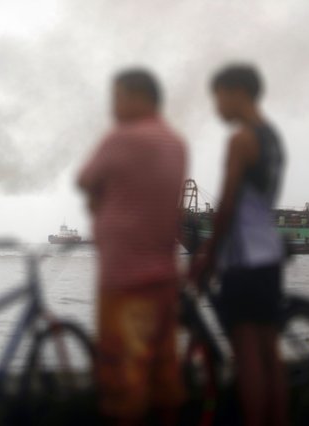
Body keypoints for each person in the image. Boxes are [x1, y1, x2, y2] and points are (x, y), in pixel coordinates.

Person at [78, 69, 187, 425]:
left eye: (118, 97)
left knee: (123, 380)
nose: (114, 107)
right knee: (163, 378)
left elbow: (84, 179)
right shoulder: (176, 142)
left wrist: (99, 202)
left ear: (138, 97)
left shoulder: (122, 139)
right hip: (164, 279)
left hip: (125, 280)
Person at [190, 64, 288, 426]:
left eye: (217, 97)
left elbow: (227, 205)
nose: (217, 107)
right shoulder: (272, 137)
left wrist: (207, 255)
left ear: (237, 92)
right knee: (269, 356)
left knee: (248, 358)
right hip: (269, 258)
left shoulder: (241, 139)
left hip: (244, 260)